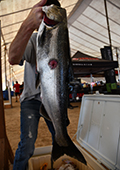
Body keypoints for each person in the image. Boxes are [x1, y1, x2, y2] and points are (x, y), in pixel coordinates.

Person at [8, 0, 62, 169]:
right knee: (27, 145)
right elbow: (13, 58)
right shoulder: (33, 38)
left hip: (52, 100)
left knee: (59, 139)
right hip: (31, 99)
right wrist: (28, 25)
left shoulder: (61, 42)